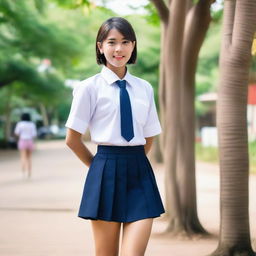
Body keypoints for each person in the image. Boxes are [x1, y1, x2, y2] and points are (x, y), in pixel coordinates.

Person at [65, 17, 165, 256]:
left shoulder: (144, 88)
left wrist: (135, 162)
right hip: (105, 170)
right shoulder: (88, 88)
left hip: (139, 172)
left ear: (133, 46)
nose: (118, 49)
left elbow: (149, 135)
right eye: (111, 42)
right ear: (100, 46)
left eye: (125, 42)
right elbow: (72, 139)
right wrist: (99, 166)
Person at [14, 113, 37, 178]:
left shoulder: (20, 124)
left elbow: (16, 133)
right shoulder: (32, 124)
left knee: (23, 157)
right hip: (30, 141)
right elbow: (34, 134)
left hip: (22, 140)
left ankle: (23, 172)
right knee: (29, 158)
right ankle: (29, 172)